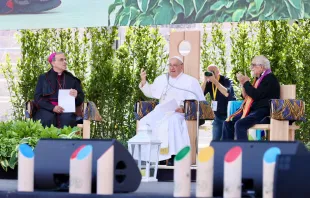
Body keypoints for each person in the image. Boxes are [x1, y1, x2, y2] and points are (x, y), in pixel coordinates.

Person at [137, 56, 205, 165]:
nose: (172, 68)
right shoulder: (162, 79)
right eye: (170, 65)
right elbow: (151, 92)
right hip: (162, 110)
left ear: (181, 67)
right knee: (145, 121)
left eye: (175, 65)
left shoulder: (191, 81)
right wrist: (144, 82)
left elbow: (199, 101)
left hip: (180, 113)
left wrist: (183, 108)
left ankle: (172, 156)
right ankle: (150, 156)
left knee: (171, 121)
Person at [222, 55, 280, 140]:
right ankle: (227, 151)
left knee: (240, 124)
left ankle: (245, 152)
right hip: (254, 110)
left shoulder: (270, 78)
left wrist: (246, 83)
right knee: (227, 123)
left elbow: (256, 95)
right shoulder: (259, 78)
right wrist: (243, 84)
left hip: (264, 111)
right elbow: (246, 96)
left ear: (261, 66)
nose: (251, 68)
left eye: (253, 65)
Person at [33, 52, 85, 128]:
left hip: (66, 110)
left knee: (68, 119)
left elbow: (81, 98)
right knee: (46, 119)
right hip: (47, 109)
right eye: (61, 60)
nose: (65, 62)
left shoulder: (72, 79)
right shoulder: (44, 78)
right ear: (53, 63)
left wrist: (76, 95)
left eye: (65, 60)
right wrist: (52, 107)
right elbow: (37, 97)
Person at [201, 65, 236, 140]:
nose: (211, 74)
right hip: (217, 116)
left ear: (218, 72)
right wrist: (204, 81)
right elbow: (200, 94)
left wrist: (215, 81)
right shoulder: (209, 83)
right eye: (209, 72)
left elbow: (226, 93)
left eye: (212, 72)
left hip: (229, 116)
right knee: (215, 141)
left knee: (227, 141)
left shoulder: (226, 80)